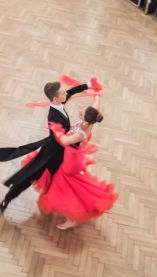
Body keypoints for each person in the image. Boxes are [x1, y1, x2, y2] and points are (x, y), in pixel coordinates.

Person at [0, 78, 96, 213]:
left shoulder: (60, 101)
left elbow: (71, 91)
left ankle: (56, 201)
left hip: (63, 154)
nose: (66, 93)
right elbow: (61, 140)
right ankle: (7, 199)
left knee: (59, 179)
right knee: (29, 176)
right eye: (63, 93)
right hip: (50, 154)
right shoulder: (53, 117)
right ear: (55, 98)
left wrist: (89, 85)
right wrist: (77, 136)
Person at [36, 96, 117, 230]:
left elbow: (64, 141)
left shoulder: (81, 134)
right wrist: (96, 93)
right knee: (66, 183)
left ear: (86, 119)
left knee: (65, 186)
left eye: (82, 113)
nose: (80, 111)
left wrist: (55, 129)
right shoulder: (91, 117)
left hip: (70, 161)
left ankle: (72, 218)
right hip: (71, 157)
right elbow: (96, 105)